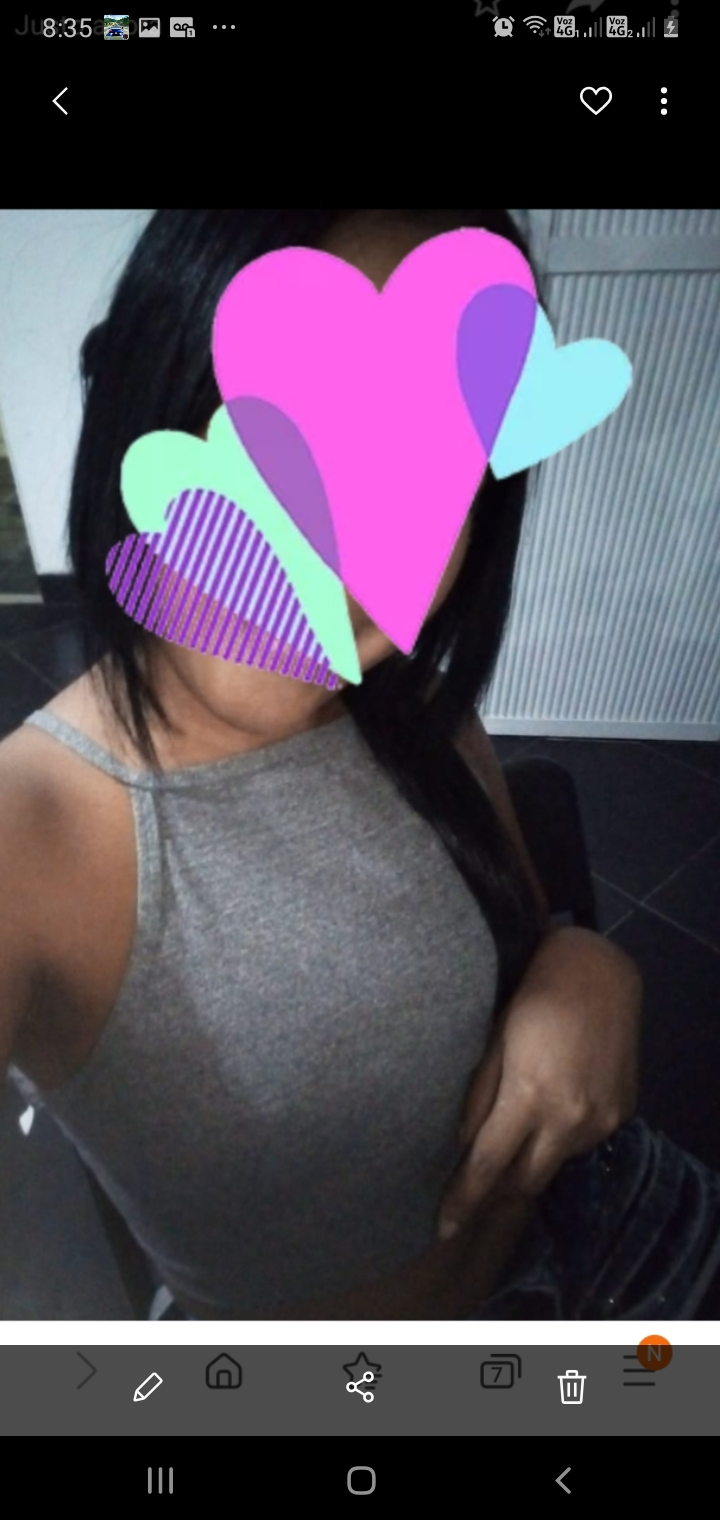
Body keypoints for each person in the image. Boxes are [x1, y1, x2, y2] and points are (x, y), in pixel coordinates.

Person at [2, 207, 719, 1319]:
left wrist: (585, 967)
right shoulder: (38, 830)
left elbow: (524, 926)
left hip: (622, 1217)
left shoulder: (415, 708)